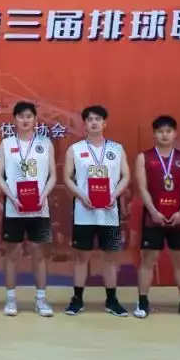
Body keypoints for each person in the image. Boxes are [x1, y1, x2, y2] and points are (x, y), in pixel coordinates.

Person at [62, 105, 130, 317]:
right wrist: (81, 196)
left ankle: (112, 300)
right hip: (84, 212)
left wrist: (114, 195)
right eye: (90, 119)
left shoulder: (116, 149)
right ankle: (77, 299)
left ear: (104, 123)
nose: (94, 123)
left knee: (110, 258)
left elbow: (126, 176)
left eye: (98, 119)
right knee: (82, 257)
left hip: (109, 212)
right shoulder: (75, 149)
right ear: (84, 124)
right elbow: (67, 178)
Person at [134, 115, 180, 319]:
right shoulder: (144, 157)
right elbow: (142, 188)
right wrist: (154, 212)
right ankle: (143, 301)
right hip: (153, 218)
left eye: (168, 131)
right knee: (148, 260)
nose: (164, 135)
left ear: (175, 134)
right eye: (160, 131)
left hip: (178, 218)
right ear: (154, 134)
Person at [0, 101, 56, 317]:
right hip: (14, 208)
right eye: (21, 116)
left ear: (35, 120)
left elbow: (53, 176)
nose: (25, 120)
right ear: (14, 120)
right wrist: (11, 197)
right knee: (12, 253)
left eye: (29, 116)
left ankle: (41, 299)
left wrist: (43, 195)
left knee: (39, 253)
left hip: (39, 208)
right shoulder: (6, 144)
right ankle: (11, 299)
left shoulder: (45, 144)